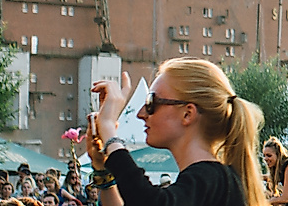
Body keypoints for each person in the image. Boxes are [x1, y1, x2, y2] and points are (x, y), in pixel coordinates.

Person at [86, 58, 268, 206]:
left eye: (151, 102)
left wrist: (109, 130)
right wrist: (102, 169)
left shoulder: (212, 178)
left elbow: (150, 202)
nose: (141, 114)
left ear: (187, 114)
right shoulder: (212, 181)